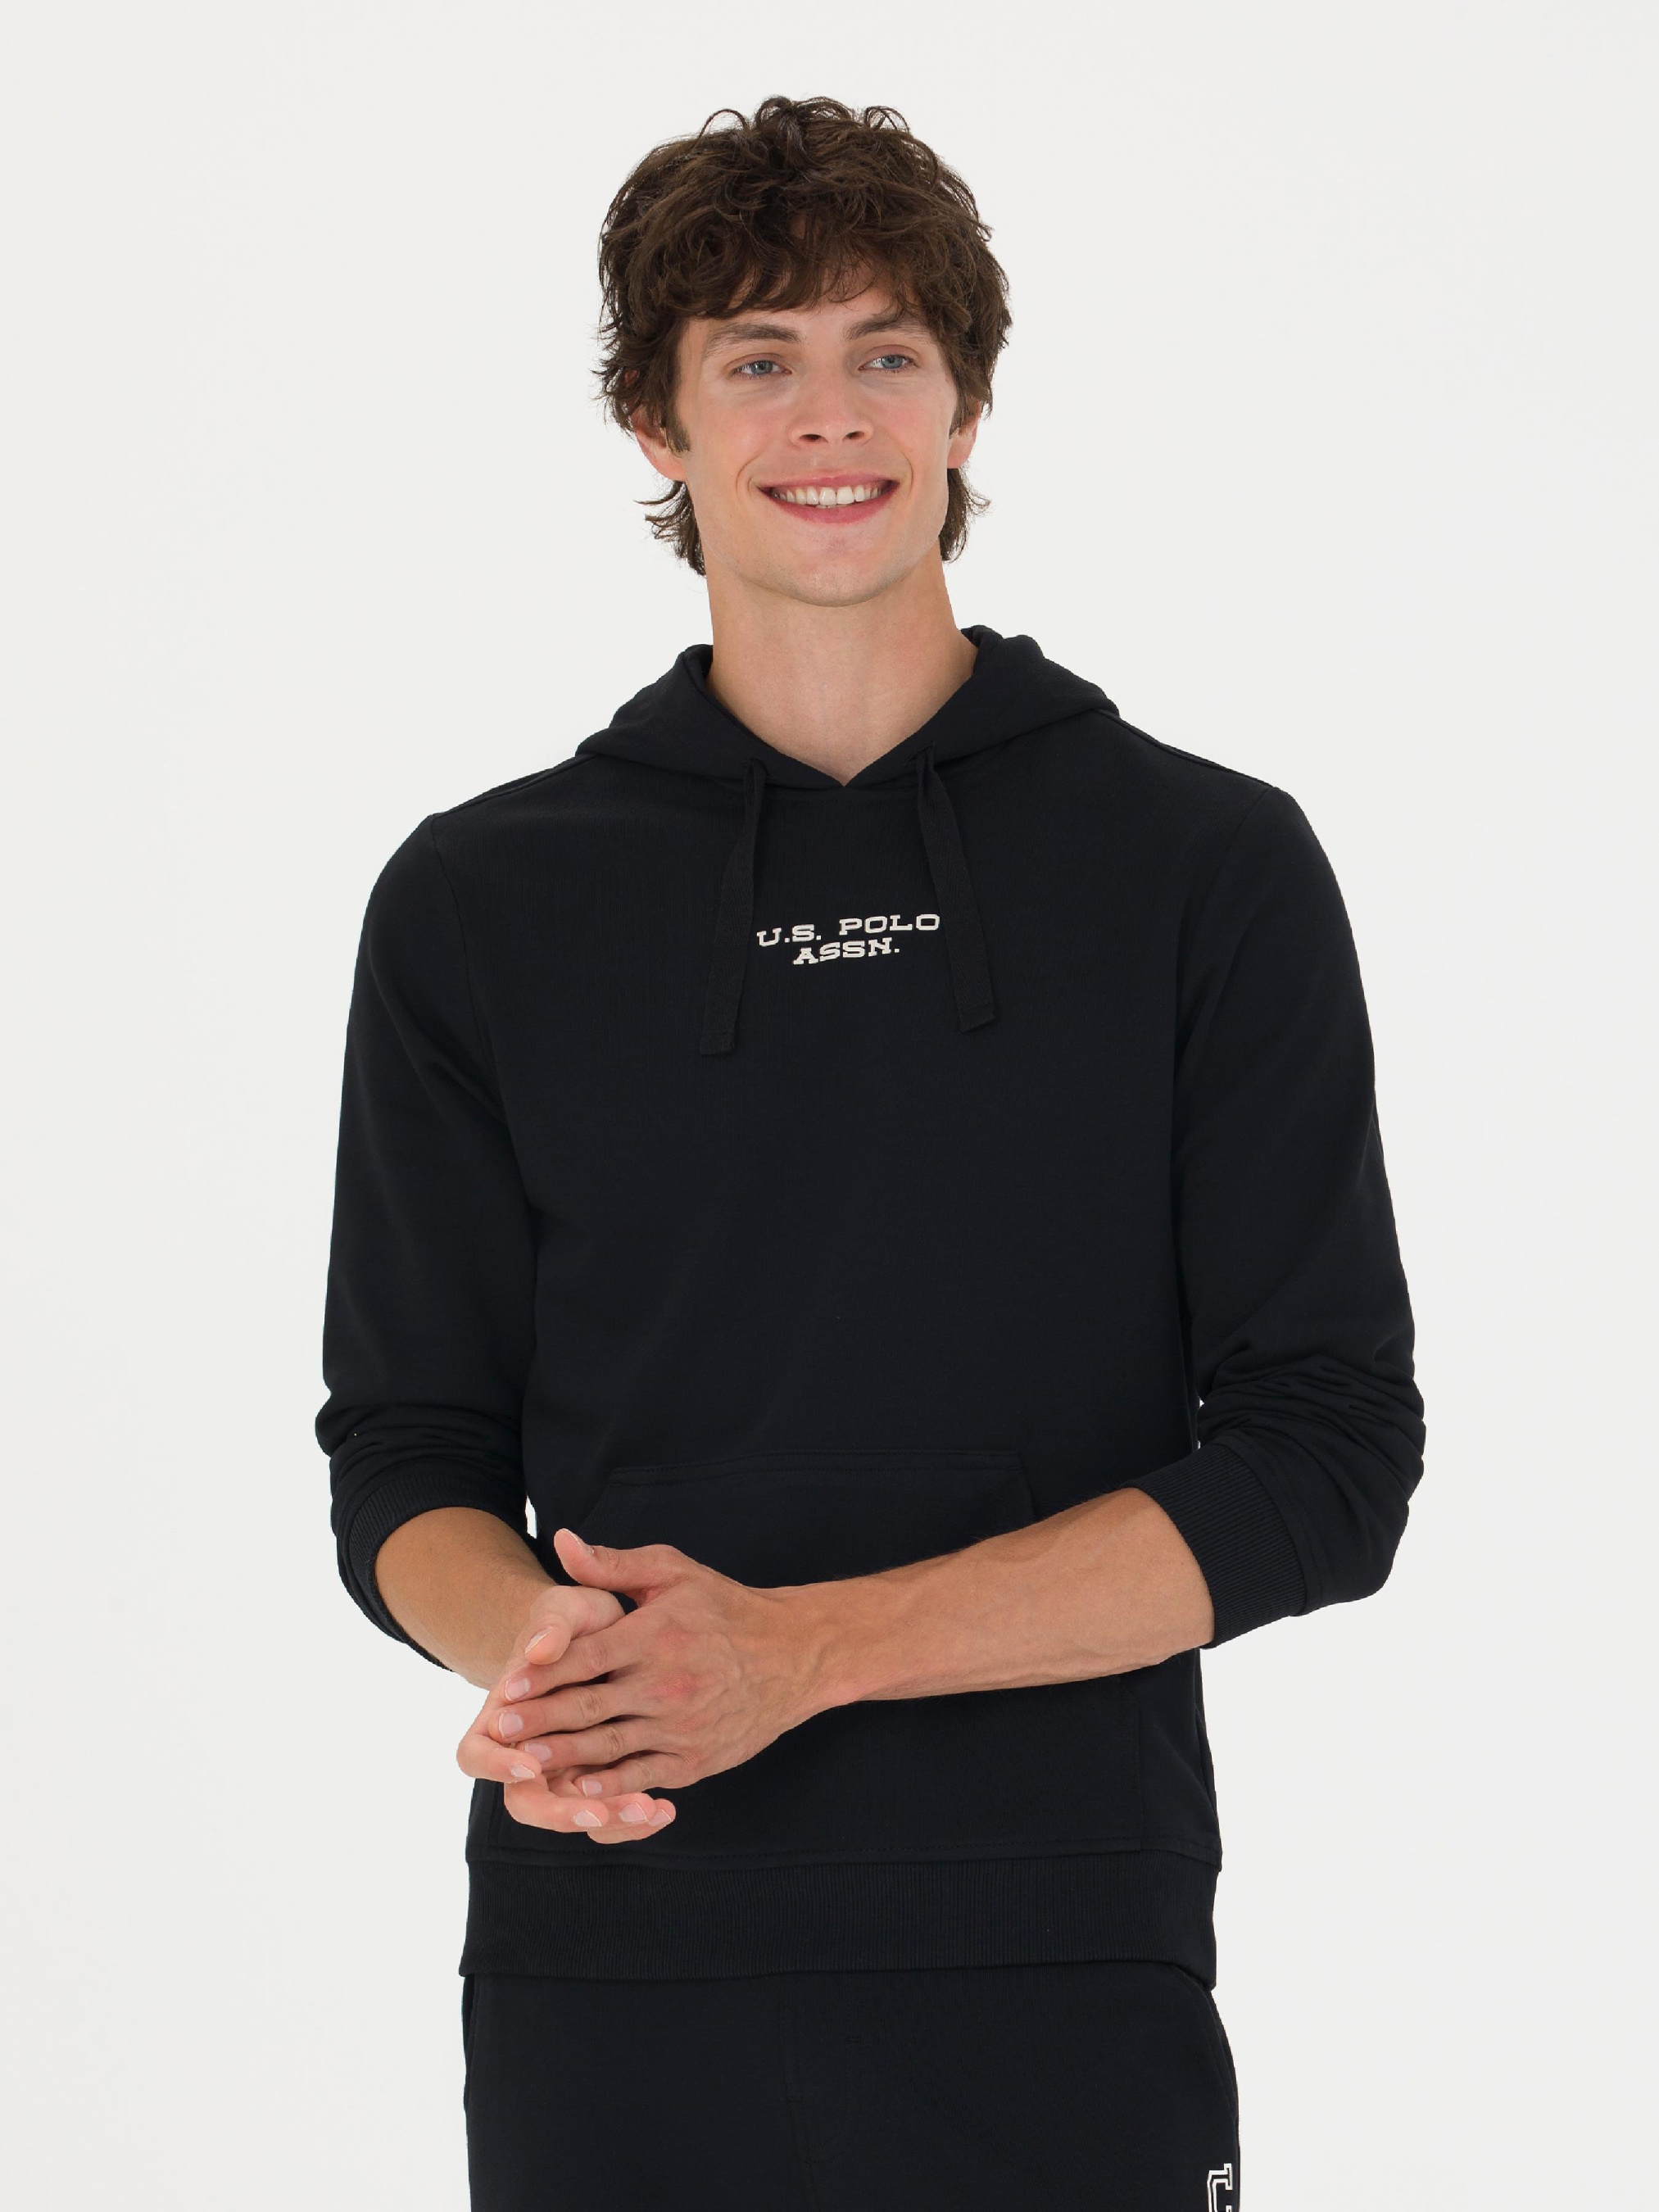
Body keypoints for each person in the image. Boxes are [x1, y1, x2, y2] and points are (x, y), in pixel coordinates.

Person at [316, 94, 1425, 2211]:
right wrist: (566, 1676)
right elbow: (409, 1453)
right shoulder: (479, 901)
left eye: (884, 349)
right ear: (655, 420)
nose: (828, 415)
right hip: (617, 1949)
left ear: (964, 402)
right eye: (757, 356)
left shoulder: (1201, 866)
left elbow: (1325, 1458)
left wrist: (801, 1655)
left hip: (1059, 1947)